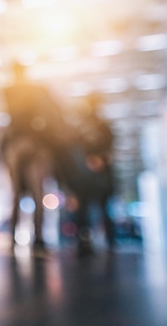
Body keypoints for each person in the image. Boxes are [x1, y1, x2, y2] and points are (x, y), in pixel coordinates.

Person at [0, 61, 71, 253]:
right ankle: (38, 240)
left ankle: (13, 240)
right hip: (35, 143)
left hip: (16, 144)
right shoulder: (37, 90)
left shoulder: (7, 91)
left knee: (16, 195)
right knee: (37, 193)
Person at [71, 92, 116, 255]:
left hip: (100, 176)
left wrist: (100, 160)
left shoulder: (103, 127)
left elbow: (110, 150)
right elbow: (75, 151)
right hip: (86, 176)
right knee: (85, 209)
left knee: (103, 207)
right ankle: (85, 240)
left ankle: (110, 240)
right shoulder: (81, 129)